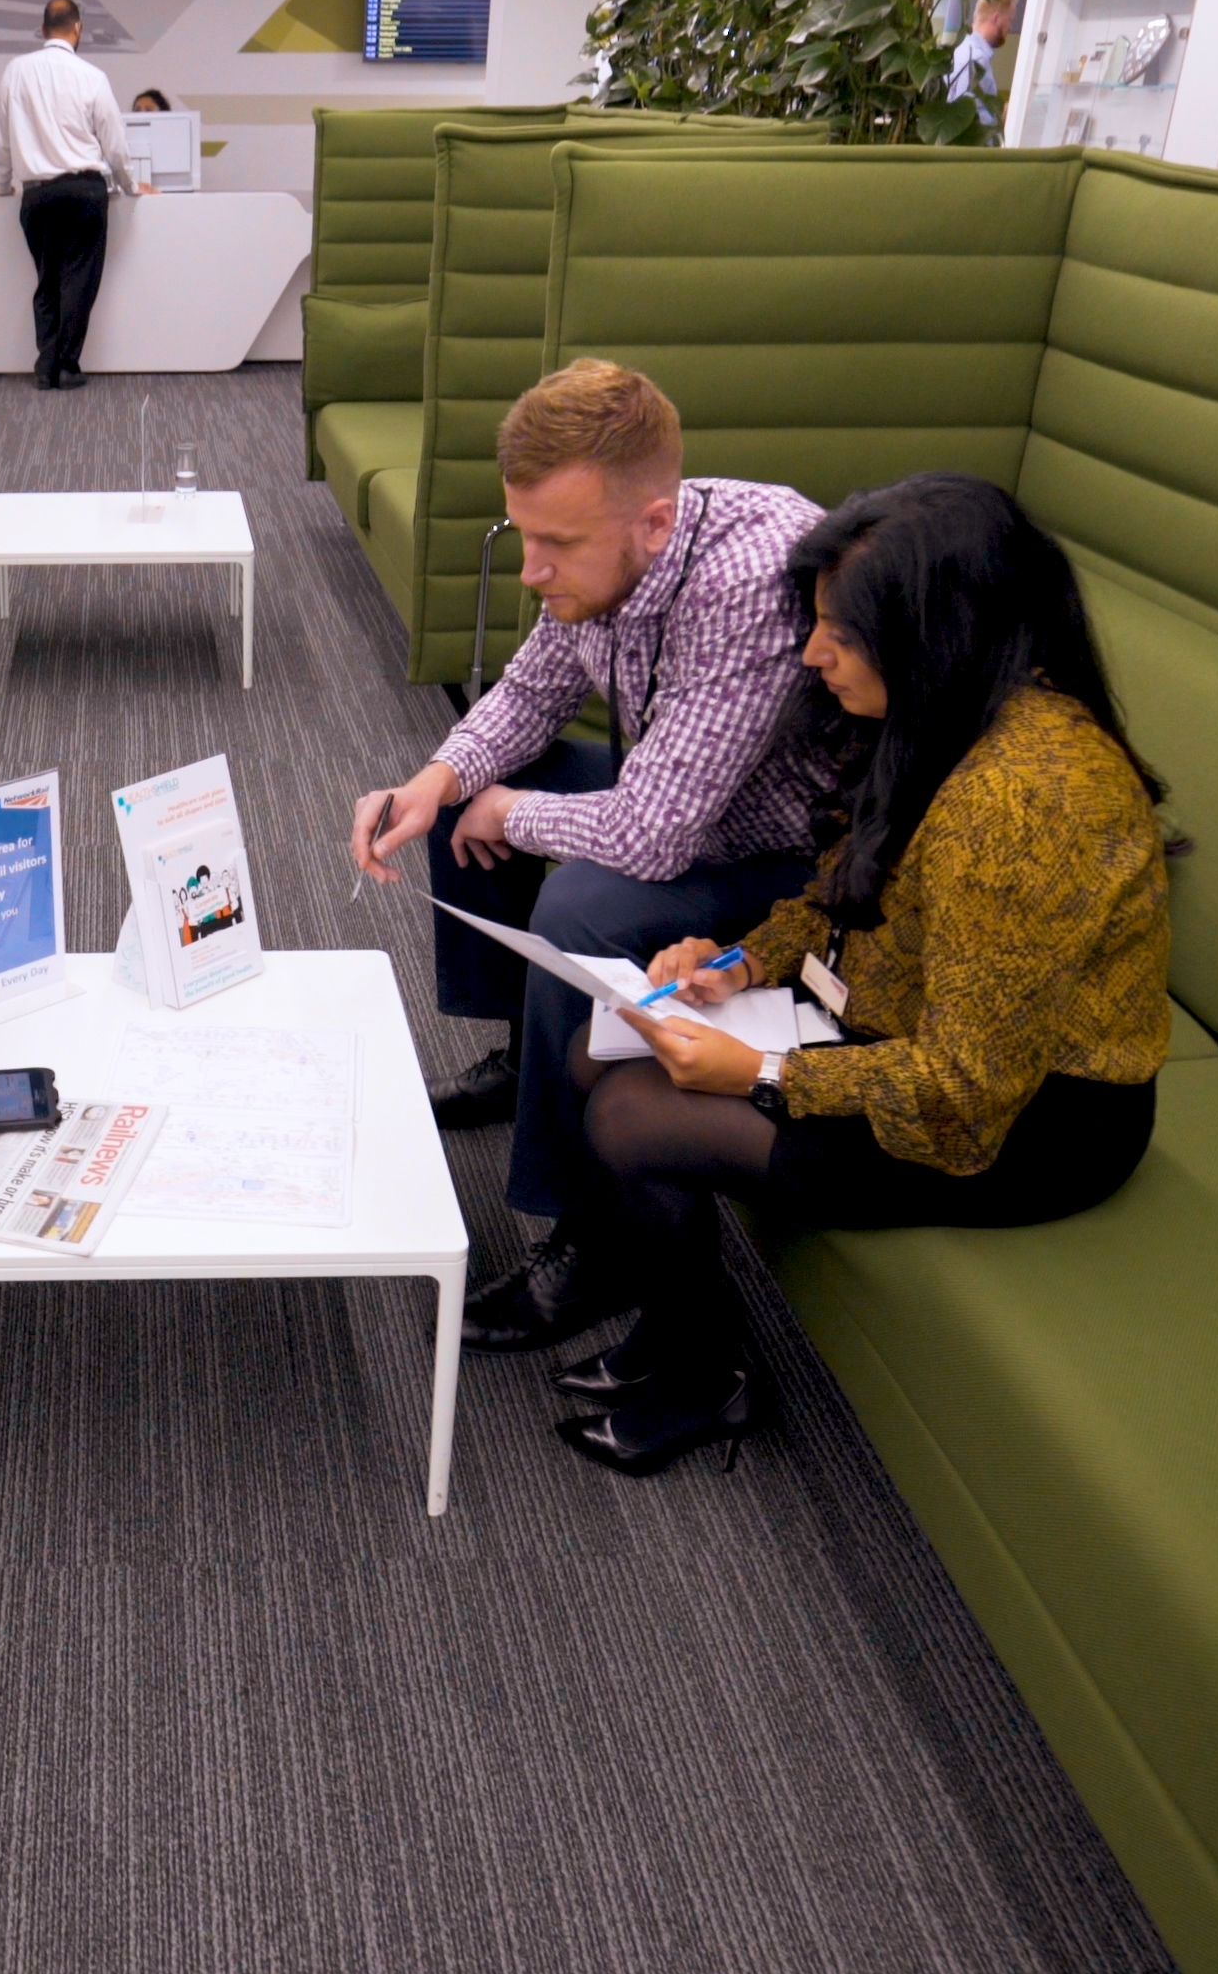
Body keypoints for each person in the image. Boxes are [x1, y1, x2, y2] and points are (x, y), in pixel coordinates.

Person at [557, 473, 1175, 1476]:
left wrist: (760, 1076)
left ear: (936, 631)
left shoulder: (1024, 803)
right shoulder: (946, 710)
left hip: (1030, 1121)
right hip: (902, 1031)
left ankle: (703, 1375)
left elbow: (966, 1095)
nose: (812, 654)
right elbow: (852, 890)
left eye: (840, 634)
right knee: (605, 1050)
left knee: (633, 1113)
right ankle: (678, 1334)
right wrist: (739, 961)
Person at [347, 359, 836, 1351]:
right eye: (525, 534)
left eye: (554, 545)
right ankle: (524, 1051)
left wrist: (510, 810)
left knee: (583, 903)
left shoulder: (748, 584)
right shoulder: (613, 547)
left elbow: (656, 836)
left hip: (792, 861)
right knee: (456, 796)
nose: (531, 570)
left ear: (654, 524)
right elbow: (528, 697)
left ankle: (592, 1229)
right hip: (685, 801)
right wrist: (437, 782)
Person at [0, 0, 149, 390]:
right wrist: (130, 185)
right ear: (77, 28)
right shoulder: (91, 76)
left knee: (47, 279)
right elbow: (114, 142)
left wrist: (2, 183)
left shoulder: (15, 72)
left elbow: (2, 137)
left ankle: (45, 366)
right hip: (84, 193)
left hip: (37, 195)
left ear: (43, 30)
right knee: (79, 279)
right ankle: (67, 366)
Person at [947, 0, 1015, 103]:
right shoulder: (977, 59)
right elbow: (969, 114)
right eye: (1009, 20)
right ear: (996, 18)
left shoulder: (963, 48)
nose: (1010, 28)